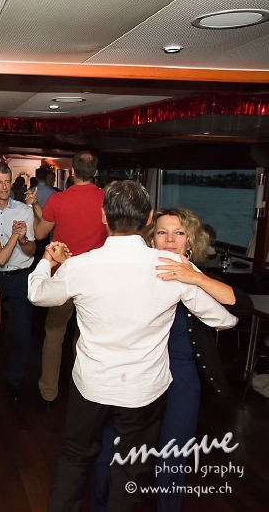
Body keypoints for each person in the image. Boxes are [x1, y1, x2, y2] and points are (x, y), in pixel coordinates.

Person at [27, 181, 238, 512]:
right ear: (149, 218)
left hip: (92, 384)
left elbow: (37, 294)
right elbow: (223, 320)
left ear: (103, 216)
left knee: (74, 458)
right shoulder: (171, 267)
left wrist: (46, 260)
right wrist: (194, 277)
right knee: (131, 469)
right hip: (144, 388)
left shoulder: (81, 266)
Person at [89, 207, 252, 512]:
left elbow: (242, 307)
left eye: (179, 233)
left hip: (181, 375)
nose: (170, 240)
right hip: (136, 371)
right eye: (162, 232)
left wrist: (195, 278)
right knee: (112, 446)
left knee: (173, 454)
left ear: (190, 241)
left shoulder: (199, 278)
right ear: (151, 240)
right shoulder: (134, 275)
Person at [25, 151, 107, 408]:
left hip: (63, 276)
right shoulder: (106, 200)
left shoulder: (58, 200)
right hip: (94, 280)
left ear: (72, 172)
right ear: (95, 172)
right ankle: (85, 389)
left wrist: (33, 208)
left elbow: (40, 234)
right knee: (87, 336)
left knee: (54, 334)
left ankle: (48, 392)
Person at [0, 163, 36, 401]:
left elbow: (32, 250)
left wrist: (23, 239)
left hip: (20, 276)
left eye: (7, 181)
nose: (5, 187)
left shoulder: (24, 210)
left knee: (22, 332)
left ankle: (14, 380)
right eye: (0, 182)